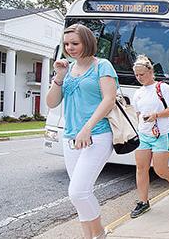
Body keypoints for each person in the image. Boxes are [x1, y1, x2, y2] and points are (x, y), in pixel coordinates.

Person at [46, 24, 117, 239]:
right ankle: (90, 236)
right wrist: (59, 76)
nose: (70, 48)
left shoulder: (102, 66)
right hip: (71, 138)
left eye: (75, 43)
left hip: (97, 135)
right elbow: (51, 102)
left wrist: (87, 129)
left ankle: (100, 234)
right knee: (80, 194)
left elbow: (109, 99)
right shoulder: (67, 70)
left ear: (87, 42)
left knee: (77, 191)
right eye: (66, 44)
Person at [128, 55, 169, 218]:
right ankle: (143, 202)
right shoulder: (137, 93)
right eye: (136, 75)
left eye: (142, 74)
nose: (139, 78)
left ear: (151, 71)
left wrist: (157, 115)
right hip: (144, 134)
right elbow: (138, 114)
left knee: (159, 169)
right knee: (141, 168)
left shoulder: (163, 88)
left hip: (163, 133)